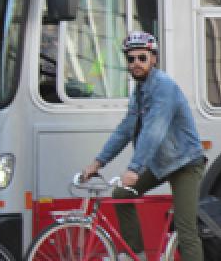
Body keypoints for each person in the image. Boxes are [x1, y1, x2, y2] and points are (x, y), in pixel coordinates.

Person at [82, 31, 205, 261]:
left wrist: (134, 168)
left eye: (142, 57)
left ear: (153, 59)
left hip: (186, 164)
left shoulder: (163, 86)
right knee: (121, 195)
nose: (136, 63)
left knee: (185, 229)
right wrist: (97, 162)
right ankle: (134, 254)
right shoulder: (139, 91)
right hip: (162, 165)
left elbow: (154, 130)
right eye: (131, 59)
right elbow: (125, 129)